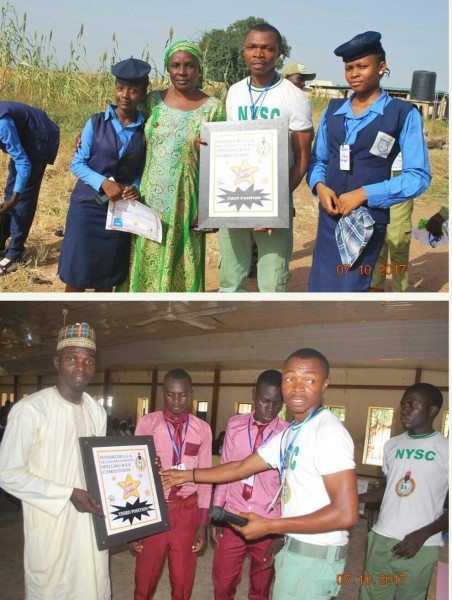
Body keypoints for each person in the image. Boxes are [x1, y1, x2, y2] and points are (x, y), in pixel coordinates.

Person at [162, 348, 359, 600]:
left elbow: (346, 513)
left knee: (261, 588)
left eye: (308, 379)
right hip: (294, 545)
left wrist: (273, 526)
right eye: (290, 378)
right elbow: (238, 467)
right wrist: (188, 475)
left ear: (325, 384)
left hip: (315, 553)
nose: (297, 388)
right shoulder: (293, 433)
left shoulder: (328, 432)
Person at [307, 31, 431, 292]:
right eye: (349, 67)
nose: (354, 73)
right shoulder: (332, 111)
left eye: (362, 66)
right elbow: (319, 159)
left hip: (367, 222)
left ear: (381, 67)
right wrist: (319, 186)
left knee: (351, 289)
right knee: (321, 288)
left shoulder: (402, 114)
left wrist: (365, 194)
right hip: (329, 219)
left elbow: (418, 177)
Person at [0, 322, 110, 599]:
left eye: (88, 361)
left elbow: (100, 465)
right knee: (53, 588)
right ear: (57, 361)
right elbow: (7, 472)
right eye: (72, 359)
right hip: (51, 522)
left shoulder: (96, 411)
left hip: (90, 520)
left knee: (93, 583)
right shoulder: (31, 410)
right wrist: (67, 494)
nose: (81, 368)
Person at [118, 41, 225, 293]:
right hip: (147, 196)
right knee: (145, 251)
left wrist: (211, 208)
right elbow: (123, 122)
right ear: (168, 68)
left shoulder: (214, 108)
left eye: (190, 65)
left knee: (183, 257)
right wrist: (90, 131)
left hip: (188, 199)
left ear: (199, 69)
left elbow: (223, 161)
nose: (182, 71)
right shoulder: (151, 101)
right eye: (176, 65)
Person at [218, 23, 313, 293]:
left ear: (278, 53)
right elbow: (231, 150)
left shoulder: (295, 98)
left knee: (272, 280)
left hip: (274, 206)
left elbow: (302, 158)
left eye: (266, 48)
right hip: (234, 201)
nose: (258, 53)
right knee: (230, 278)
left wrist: (274, 207)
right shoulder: (235, 92)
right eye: (252, 47)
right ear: (244, 51)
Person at [58, 57, 150, 292]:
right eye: (120, 89)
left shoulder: (145, 129)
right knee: (76, 276)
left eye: (133, 90)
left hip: (119, 213)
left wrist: (135, 186)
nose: (125, 96)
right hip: (87, 208)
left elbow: (140, 168)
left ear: (143, 92)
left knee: (107, 279)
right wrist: (104, 183)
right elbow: (77, 164)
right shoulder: (95, 123)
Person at [359, 383, 448, 600]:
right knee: (371, 594)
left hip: (421, 545)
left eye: (412, 404)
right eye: (402, 405)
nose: (404, 410)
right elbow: (388, 490)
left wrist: (424, 533)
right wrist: (354, 498)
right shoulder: (391, 445)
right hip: (381, 538)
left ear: (432, 410)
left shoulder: (445, 449)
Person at [130, 368, 213, 600]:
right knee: (145, 579)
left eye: (183, 394)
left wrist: (202, 524)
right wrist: (132, 526)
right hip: (153, 510)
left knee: (183, 581)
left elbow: (205, 479)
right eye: (171, 394)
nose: (177, 400)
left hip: (187, 512)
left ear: (191, 394)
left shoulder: (202, 429)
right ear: (163, 393)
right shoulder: (147, 424)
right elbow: (133, 476)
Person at [211, 369, 288, 600]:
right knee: (223, 584)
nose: (270, 409)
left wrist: (280, 533)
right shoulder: (234, 425)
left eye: (277, 403)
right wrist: (217, 512)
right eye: (265, 401)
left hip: (267, 521)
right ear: (254, 394)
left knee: (261, 588)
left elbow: (288, 488)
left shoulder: (288, 434)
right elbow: (225, 469)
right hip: (233, 515)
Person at [0, 101, 59, 275]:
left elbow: (23, 162)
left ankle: (13, 256)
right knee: (9, 192)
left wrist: (15, 198)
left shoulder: (3, 125)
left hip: (40, 135)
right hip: (24, 132)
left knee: (23, 195)